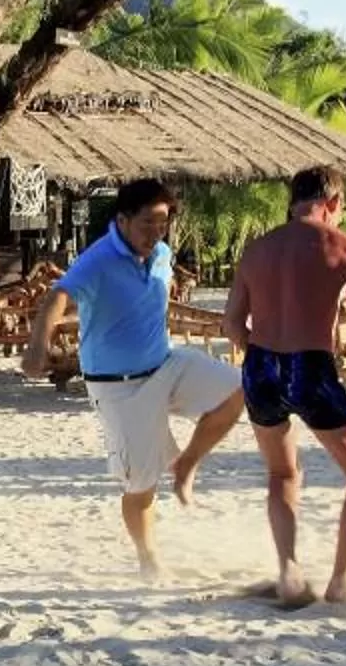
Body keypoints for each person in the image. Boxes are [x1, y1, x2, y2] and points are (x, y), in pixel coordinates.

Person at [24, 178, 243, 578]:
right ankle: (148, 558)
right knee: (140, 486)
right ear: (123, 220)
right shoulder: (99, 258)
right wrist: (38, 347)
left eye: (163, 224)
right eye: (148, 224)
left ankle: (186, 464)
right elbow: (57, 296)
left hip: (165, 364)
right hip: (118, 387)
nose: (155, 233)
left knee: (240, 389)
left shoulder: (161, 253)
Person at [225, 167, 346, 606]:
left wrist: (260, 349)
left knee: (282, 473)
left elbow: (230, 324)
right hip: (310, 368)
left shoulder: (257, 250)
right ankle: (340, 582)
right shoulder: (344, 248)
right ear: (333, 203)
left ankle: (289, 573)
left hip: (260, 367)